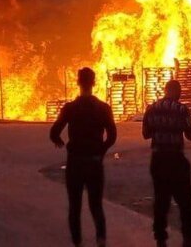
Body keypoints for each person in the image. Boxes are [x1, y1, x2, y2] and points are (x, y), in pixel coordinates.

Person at [49, 67, 117, 247]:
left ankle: (77, 243)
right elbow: (112, 135)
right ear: (94, 83)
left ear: (78, 82)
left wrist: (60, 142)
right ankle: (101, 242)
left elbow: (54, 132)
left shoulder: (70, 108)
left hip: (75, 163)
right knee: (96, 206)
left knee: (75, 207)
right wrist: (101, 151)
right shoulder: (103, 108)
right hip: (94, 163)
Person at [142, 79, 191, 247]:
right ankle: (188, 239)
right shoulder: (182, 109)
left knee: (161, 200)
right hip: (175, 160)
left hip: (158, 160)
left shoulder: (152, 109)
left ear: (165, 90)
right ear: (177, 92)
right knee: (185, 201)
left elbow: (146, 134)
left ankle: (161, 239)